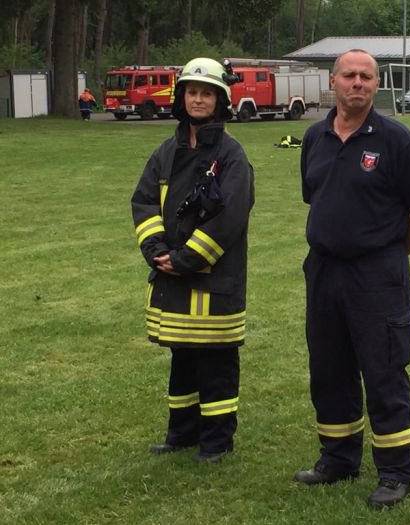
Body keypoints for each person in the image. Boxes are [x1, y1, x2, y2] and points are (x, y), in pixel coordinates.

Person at [294, 49, 410, 508]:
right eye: (350, 75)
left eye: (367, 77)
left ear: (376, 86)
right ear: (333, 81)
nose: (358, 83)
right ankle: (338, 459)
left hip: (376, 276)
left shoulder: (398, 141)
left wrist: (390, 254)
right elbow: (313, 198)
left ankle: (396, 471)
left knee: (384, 371)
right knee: (329, 368)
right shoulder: (315, 138)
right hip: (323, 272)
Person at [130, 57, 254, 464]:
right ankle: (181, 433)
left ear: (221, 101)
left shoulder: (232, 156)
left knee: (216, 360)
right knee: (181, 355)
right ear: (180, 97)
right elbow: (144, 201)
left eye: (207, 93)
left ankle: (217, 441)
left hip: (213, 280)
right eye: (192, 92)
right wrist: (158, 251)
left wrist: (185, 258)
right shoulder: (165, 152)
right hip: (173, 274)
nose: (198, 100)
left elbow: (230, 218)